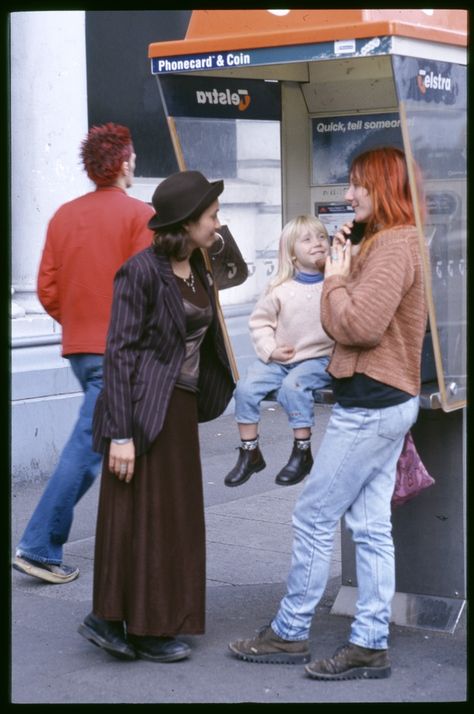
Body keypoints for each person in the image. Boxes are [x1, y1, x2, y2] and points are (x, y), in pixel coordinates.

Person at [228, 147, 427, 680]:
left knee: (314, 516)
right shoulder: (383, 243)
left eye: (357, 185)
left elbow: (358, 326)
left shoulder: (394, 246)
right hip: (383, 399)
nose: (347, 195)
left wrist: (337, 277)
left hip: (371, 404)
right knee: (369, 526)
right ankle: (369, 644)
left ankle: (290, 632)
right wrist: (347, 259)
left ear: (382, 186)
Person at [77, 170, 235, 663]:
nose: (218, 223)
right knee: (145, 516)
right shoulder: (141, 271)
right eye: (211, 216)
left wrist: (214, 238)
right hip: (145, 408)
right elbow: (118, 355)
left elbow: (238, 274)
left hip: (182, 405)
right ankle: (138, 624)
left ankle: (123, 617)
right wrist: (120, 433)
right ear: (186, 223)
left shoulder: (201, 264)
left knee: (170, 517)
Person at [12, 123, 154, 584]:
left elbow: (46, 289)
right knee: (90, 448)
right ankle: (38, 546)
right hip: (119, 349)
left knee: (100, 442)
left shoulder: (62, 216)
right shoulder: (140, 215)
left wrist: (77, 320)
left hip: (80, 348)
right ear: (125, 163)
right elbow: (146, 288)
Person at [224, 215, 333, 488]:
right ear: (291, 254)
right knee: (245, 388)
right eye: (307, 239)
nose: (317, 243)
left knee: (292, 387)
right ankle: (250, 453)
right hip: (280, 359)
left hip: (318, 359)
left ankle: (302, 450)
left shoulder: (335, 284)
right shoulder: (278, 288)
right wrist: (271, 350)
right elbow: (259, 323)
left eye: (321, 237)